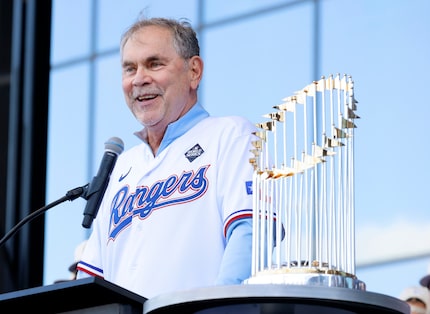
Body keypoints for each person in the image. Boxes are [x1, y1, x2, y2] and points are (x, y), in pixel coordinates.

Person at [76, 16, 258, 299]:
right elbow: (90, 278)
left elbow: (251, 234)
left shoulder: (231, 134)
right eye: (129, 68)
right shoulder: (121, 166)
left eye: (154, 64)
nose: (139, 79)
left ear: (194, 72)